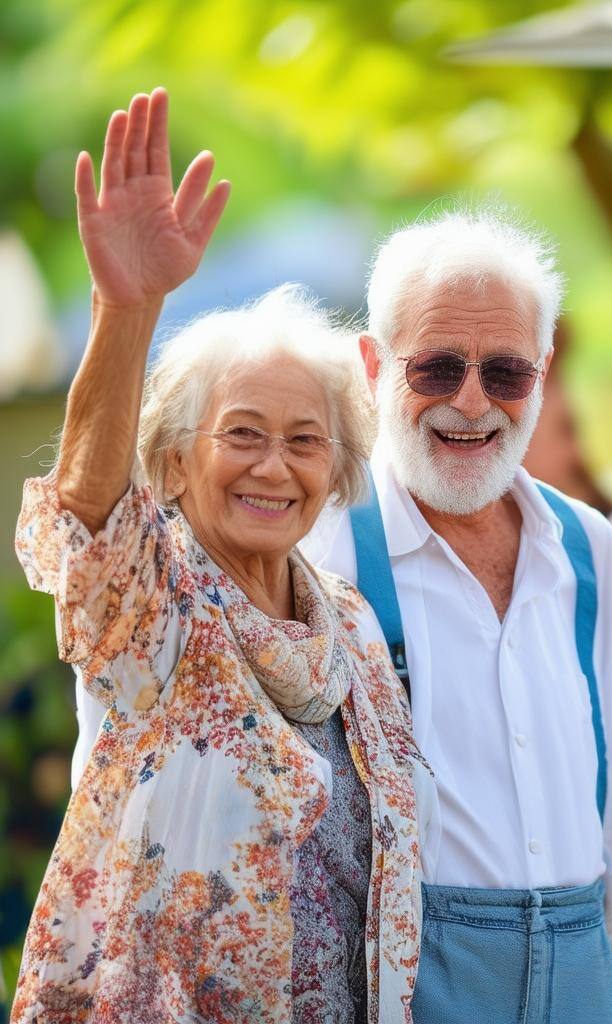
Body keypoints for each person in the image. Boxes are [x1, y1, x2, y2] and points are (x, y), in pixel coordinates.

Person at [13, 89, 427, 1024]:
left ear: (340, 468)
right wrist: (126, 308)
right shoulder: (153, 603)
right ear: (173, 460)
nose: (274, 466)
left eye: (305, 441)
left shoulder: (350, 627)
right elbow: (86, 519)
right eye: (241, 433)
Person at [301, 209, 612, 1023]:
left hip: (588, 958)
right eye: (438, 368)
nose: (473, 402)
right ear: (374, 364)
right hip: (416, 980)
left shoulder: (586, 543)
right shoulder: (322, 544)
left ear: (544, 371)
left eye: (507, 372)